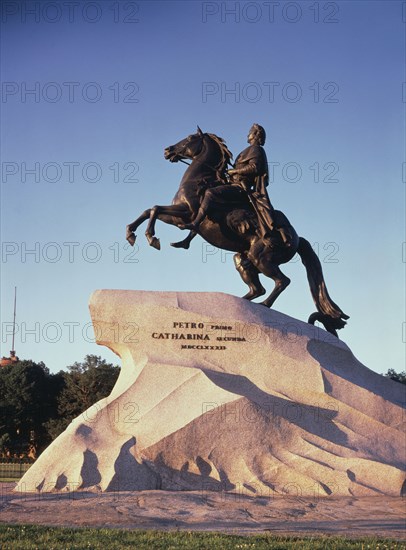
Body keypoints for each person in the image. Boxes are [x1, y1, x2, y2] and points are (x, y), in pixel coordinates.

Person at [182, 123, 276, 241]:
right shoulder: (248, 150)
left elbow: (254, 167)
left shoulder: (256, 149)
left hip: (240, 187)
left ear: (256, 135)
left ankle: (195, 223)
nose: (248, 134)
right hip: (233, 184)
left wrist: (234, 171)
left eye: (250, 132)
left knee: (210, 193)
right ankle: (188, 240)